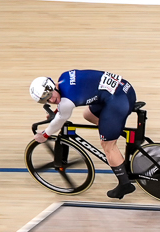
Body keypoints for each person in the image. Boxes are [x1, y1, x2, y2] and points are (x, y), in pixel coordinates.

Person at [31, 70, 141, 200]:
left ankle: (125, 184)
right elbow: (74, 94)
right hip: (122, 90)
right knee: (88, 114)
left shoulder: (66, 102)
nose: (52, 100)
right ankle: (112, 128)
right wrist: (57, 110)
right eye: (46, 100)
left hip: (117, 100)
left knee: (107, 146)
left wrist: (44, 135)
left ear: (52, 86)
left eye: (50, 95)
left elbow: (61, 119)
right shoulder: (64, 77)